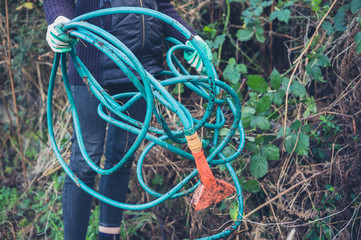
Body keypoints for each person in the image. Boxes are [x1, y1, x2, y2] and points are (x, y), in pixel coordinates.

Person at [44, 0, 212, 239]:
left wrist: (189, 38)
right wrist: (59, 20)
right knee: (84, 160)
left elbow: (161, 7)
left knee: (122, 157)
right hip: (92, 67)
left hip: (141, 73)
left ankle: (108, 236)